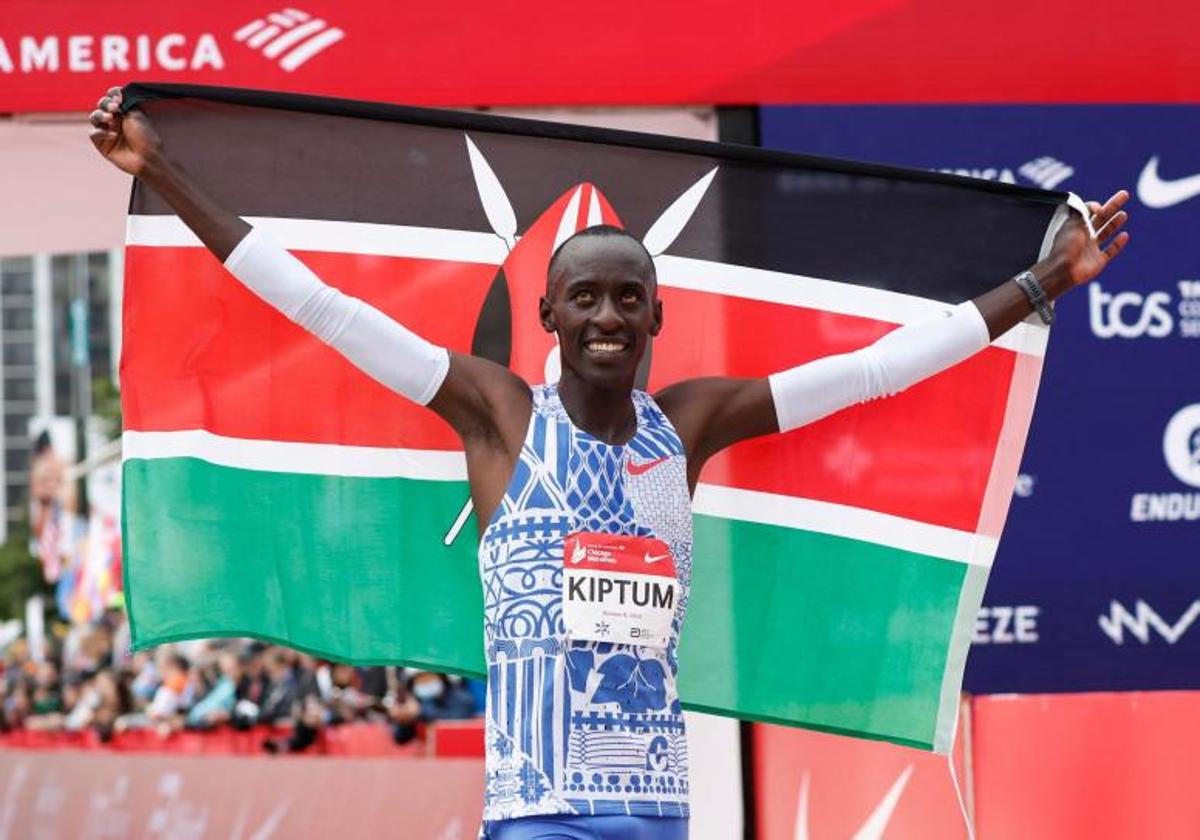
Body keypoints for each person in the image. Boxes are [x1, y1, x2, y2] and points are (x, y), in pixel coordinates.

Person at [89, 86, 1129, 839]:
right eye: (584, 296)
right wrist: (166, 173)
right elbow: (324, 307)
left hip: (658, 810)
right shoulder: (496, 415)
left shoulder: (691, 423)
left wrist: (1039, 287)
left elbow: (875, 371)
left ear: (656, 319)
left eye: (628, 297)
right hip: (537, 814)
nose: (606, 316)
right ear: (545, 314)